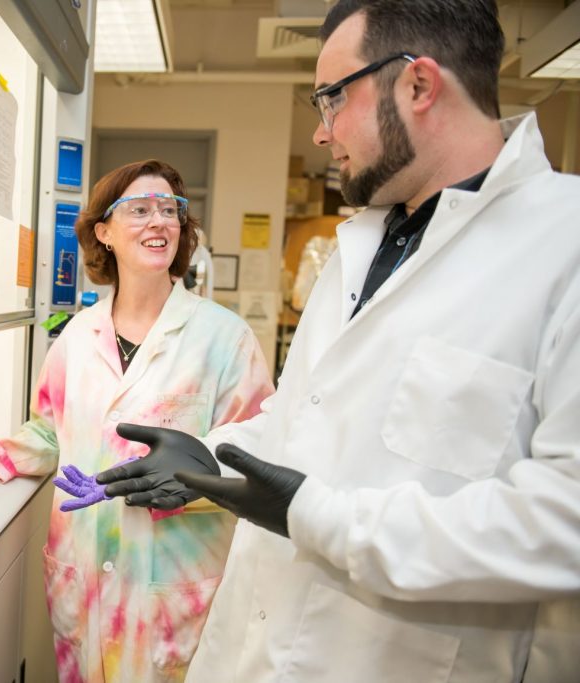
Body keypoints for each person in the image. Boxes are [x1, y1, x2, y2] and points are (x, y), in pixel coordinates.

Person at [91, 2, 580, 681]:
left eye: (332, 99)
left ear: (417, 85)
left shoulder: (565, 243)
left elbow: (565, 522)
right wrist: (220, 461)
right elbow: (303, 415)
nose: (321, 134)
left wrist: (317, 516)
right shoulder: (357, 246)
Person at [0, 159, 274, 682]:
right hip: (84, 578)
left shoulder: (225, 338)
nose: (159, 221)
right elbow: (47, 434)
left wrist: (185, 476)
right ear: (104, 233)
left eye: (169, 210)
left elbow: (255, 450)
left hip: (174, 585)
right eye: (139, 209)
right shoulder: (77, 338)